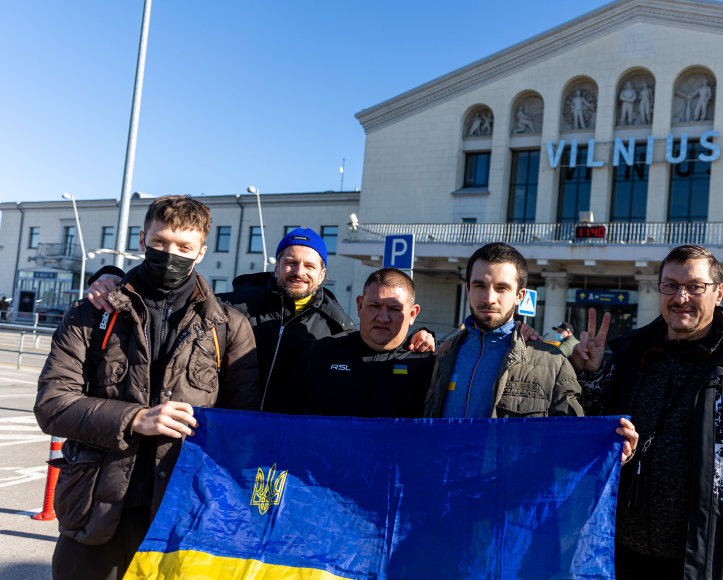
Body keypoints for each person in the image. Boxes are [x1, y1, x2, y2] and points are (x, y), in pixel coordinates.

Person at [34, 196, 260, 580]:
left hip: (180, 518)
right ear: (142, 240)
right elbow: (52, 404)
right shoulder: (93, 312)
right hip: (94, 513)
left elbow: (243, 430)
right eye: (160, 243)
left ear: (201, 252)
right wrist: (136, 419)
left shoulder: (228, 327)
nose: (170, 255)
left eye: (184, 247)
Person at [573, 244, 723, 580]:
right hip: (617, 559)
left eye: (695, 286)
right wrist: (591, 377)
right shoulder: (630, 355)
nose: (680, 297)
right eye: (670, 285)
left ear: (718, 293)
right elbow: (590, 442)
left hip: (712, 565)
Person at [85, 227, 434, 413]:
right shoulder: (233, 306)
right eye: (290, 262)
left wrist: (421, 335)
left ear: (323, 273)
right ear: (277, 265)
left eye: (310, 265)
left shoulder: (336, 325)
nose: (299, 272)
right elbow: (171, 294)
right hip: (224, 427)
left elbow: (382, 329)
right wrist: (112, 275)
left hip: (279, 442)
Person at [424, 243, 637, 461]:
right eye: (480, 285)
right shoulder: (443, 355)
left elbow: (575, 439)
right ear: (468, 289)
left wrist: (613, 450)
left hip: (509, 492)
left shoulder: (552, 362)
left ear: (519, 295)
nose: (489, 298)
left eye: (501, 288)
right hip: (441, 489)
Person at [282, 268, 434, 418]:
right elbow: (281, 420)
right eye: (374, 306)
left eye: (394, 309)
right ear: (360, 306)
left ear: (412, 314)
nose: (382, 318)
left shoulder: (427, 365)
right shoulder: (320, 354)